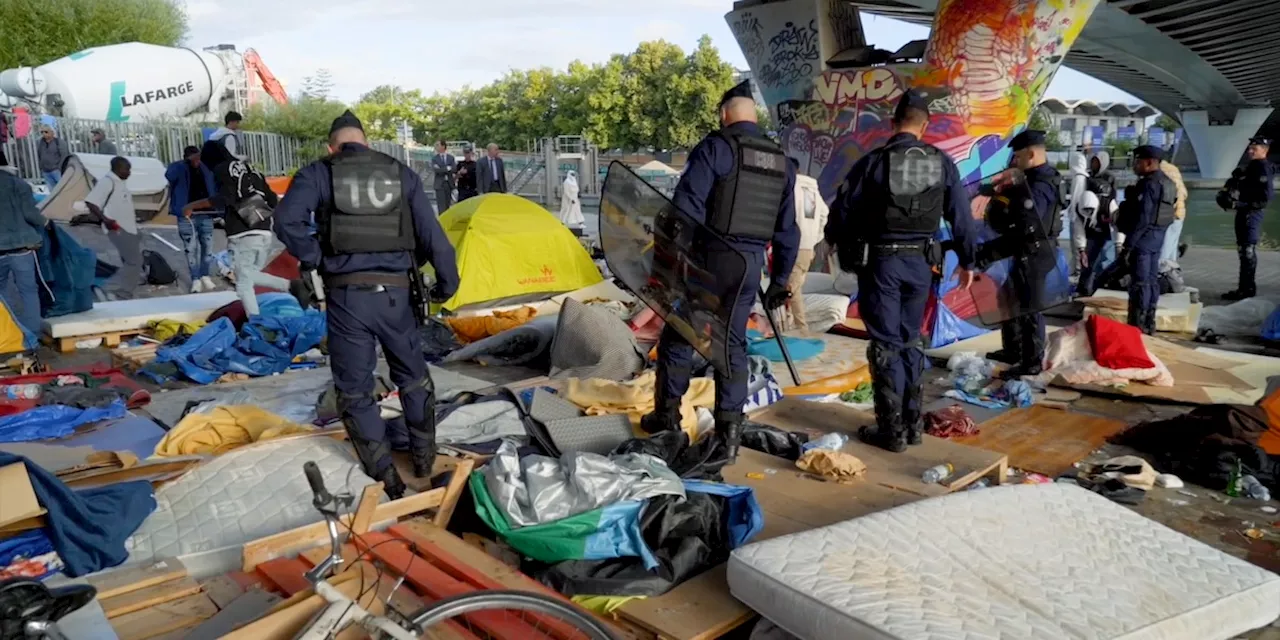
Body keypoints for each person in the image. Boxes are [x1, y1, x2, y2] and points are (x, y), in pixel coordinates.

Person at [273, 110, 460, 499]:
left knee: (355, 391)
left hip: (346, 299)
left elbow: (286, 220)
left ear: (332, 147)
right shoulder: (400, 173)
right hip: (397, 297)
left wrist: (315, 257)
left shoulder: (318, 173)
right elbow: (433, 237)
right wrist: (447, 284)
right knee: (413, 378)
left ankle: (384, 476)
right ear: (367, 143)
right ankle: (424, 460)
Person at [639, 80, 799, 463]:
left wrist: (668, 266)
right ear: (754, 116)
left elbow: (685, 209)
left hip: (710, 259)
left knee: (680, 336)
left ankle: (667, 420)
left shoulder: (716, 148)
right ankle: (729, 435)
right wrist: (780, 282)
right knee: (731, 346)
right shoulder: (781, 161)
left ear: (725, 115)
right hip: (749, 266)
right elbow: (789, 230)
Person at [824, 89, 979, 453]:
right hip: (922, 265)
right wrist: (969, 262)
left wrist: (834, 240)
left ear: (894, 124)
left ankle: (891, 431)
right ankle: (912, 426)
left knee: (886, 344)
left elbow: (842, 211)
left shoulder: (874, 161)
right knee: (911, 339)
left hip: (882, 264)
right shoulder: (941, 163)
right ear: (924, 127)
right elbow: (961, 216)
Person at [980, 130, 1062, 378]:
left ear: (1031, 153)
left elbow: (1027, 223)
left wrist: (993, 248)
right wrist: (996, 192)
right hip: (1027, 249)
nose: (1015, 162)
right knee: (1010, 297)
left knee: (1028, 306)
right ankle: (1013, 349)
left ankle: (1032, 361)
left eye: (1018, 157)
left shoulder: (1041, 183)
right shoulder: (1031, 178)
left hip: (1036, 250)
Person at [184, 140, 287, 316]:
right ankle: (291, 286)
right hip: (263, 230)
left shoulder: (222, 169)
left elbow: (224, 197)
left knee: (243, 284)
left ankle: (256, 324)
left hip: (243, 233)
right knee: (248, 276)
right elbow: (271, 199)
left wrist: (192, 206)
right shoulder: (249, 168)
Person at [1117, 145, 1176, 334]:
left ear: (1149, 162)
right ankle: (1149, 323)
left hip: (1142, 241)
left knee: (1140, 284)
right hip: (1157, 240)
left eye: (1138, 161)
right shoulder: (1168, 183)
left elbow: (1143, 218)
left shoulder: (1148, 184)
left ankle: (1137, 326)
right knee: (1151, 281)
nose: (1135, 165)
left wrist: (1128, 245)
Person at [0, 148, 49, 338]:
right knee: (28, 290)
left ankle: (10, 332)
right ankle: (32, 334)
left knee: (1, 292)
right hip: (22, 248)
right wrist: (46, 222)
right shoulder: (18, 184)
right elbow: (31, 214)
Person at [1223, 137, 1274, 300]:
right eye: (1250, 148)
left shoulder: (1262, 168)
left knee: (1247, 251)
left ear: (1264, 151)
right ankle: (1243, 288)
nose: (1250, 151)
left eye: (1255, 149)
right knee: (1243, 251)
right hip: (1245, 213)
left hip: (1251, 214)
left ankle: (1247, 290)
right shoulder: (1252, 167)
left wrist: (1240, 205)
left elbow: (1265, 198)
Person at [84, 157, 141, 300]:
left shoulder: (120, 182)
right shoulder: (107, 182)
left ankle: (121, 291)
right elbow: (91, 202)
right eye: (126, 169)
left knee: (130, 261)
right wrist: (105, 219)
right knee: (134, 262)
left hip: (128, 228)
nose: (129, 173)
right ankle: (110, 288)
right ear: (117, 168)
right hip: (117, 228)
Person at [166, 146, 219, 293]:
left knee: (207, 246)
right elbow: (169, 176)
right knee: (190, 248)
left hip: (206, 213)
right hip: (186, 215)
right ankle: (195, 278)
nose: (197, 161)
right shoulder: (178, 168)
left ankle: (205, 275)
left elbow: (215, 184)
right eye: (193, 158)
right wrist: (185, 163)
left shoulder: (206, 168)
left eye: (198, 158)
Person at [782, 167, 829, 332]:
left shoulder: (790, 187)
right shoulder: (813, 190)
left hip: (792, 245)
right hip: (807, 247)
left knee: (790, 290)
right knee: (793, 288)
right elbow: (825, 214)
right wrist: (815, 238)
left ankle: (801, 330)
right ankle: (789, 328)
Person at [1075, 150, 1117, 295]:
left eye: (1096, 162)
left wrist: (1120, 244)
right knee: (1088, 262)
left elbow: (1117, 223)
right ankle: (1084, 289)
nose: (1093, 165)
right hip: (1091, 232)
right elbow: (1078, 227)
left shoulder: (1109, 203)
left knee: (1104, 261)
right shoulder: (1081, 210)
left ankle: (1098, 287)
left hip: (1105, 228)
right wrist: (1081, 250)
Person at [1157, 160, 1188, 265]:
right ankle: (1171, 276)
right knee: (1171, 250)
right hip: (1180, 213)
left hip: (1168, 214)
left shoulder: (1160, 171)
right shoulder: (1173, 169)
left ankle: (1161, 275)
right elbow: (1183, 193)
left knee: (1163, 252)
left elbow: (1167, 195)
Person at [430, 141, 456, 215]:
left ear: (443, 146)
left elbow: (454, 169)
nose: (436, 147)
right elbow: (436, 170)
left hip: (449, 184)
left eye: (438, 145)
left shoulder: (450, 158)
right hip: (439, 185)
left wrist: (442, 168)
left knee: (448, 205)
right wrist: (447, 168)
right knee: (441, 206)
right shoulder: (435, 159)